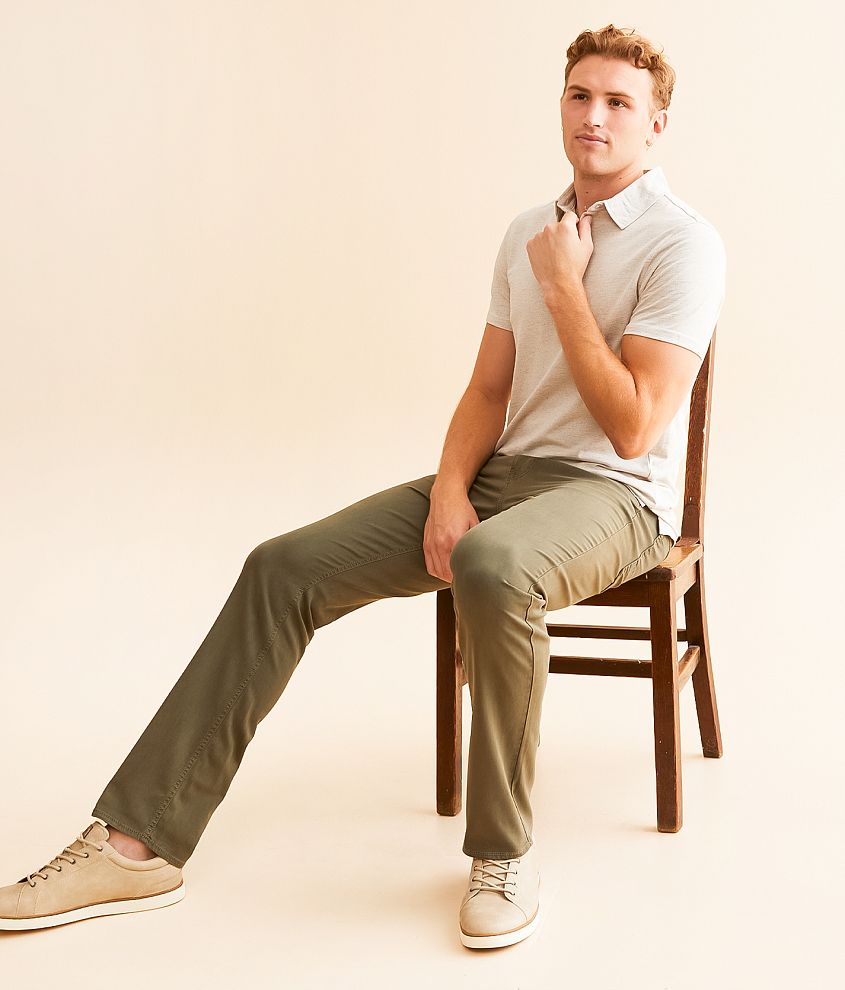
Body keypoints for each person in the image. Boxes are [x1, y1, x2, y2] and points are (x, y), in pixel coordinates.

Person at [0, 23, 726, 948]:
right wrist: (452, 490)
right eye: (579, 95)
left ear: (655, 124)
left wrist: (563, 289)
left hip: (617, 498)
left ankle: (503, 853)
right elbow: (487, 391)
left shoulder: (682, 244)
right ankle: (138, 843)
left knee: (495, 564)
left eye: (619, 102)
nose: (595, 115)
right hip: (507, 478)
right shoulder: (529, 232)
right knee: (282, 568)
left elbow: (633, 425)